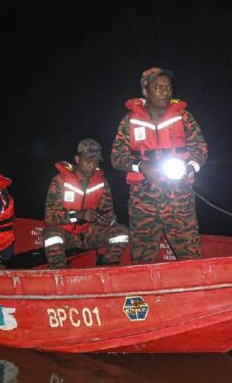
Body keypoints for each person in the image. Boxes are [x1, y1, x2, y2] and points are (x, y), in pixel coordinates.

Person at [111, 67, 208, 263]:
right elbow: (116, 157)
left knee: (189, 254)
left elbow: (201, 149)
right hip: (143, 199)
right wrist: (141, 166)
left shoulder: (184, 117)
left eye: (168, 87)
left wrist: (190, 166)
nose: (165, 91)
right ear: (145, 92)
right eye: (158, 87)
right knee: (142, 257)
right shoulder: (129, 121)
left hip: (179, 197)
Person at [43, 139, 129, 268]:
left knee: (121, 232)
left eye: (96, 161)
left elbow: (109, 212)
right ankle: (60, 273)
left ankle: (106, 268)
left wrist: (106, 219)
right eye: (88, 160)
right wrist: (80, 215)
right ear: (77, 159)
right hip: (66, 234)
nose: (92, 165)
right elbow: (50, 217)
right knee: (51, 236)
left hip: (89, 234)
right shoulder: (59, 181)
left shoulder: (102, 183)